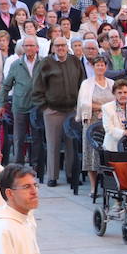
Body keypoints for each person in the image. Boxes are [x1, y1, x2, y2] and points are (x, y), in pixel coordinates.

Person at [30, 37, 83, 187]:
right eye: (57, 45)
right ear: (53, 47)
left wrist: (79, 106)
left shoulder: (75, 61)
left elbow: (82, 83)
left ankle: (71, 175)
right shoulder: (45, 63)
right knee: (53, 144)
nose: (60, 48)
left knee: (71, 144)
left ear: (67, 46)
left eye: (63, 45)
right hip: (53, 110)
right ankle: (52, 177)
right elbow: (37, 87)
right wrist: (45, 107)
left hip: (71, 110)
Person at [0, 36, 41, 165]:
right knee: (19, 138)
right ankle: (18, 165)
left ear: (37, 48)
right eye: (26, 46)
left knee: (37, 137)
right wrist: (1, 104)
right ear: (23, 48)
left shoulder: (43, 63)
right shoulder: (16, 64)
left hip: (37, 106)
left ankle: (35, 165)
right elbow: (6, 86)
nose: (29, 48)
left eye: (31, 45)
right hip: (20, 106)